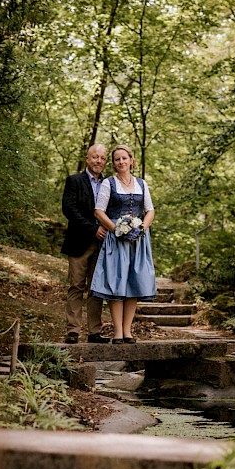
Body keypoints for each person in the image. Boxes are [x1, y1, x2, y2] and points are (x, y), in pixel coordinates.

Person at [89, 145, 156, 343]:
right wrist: (116, 229)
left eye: (124, 158)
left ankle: (128, 331)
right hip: (116, 241)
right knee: (116, 283)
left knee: (133, 283)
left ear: (131, 160)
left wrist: (142, 228)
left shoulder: (142, 184)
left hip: (137, 241)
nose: (121, 162)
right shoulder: (108, 184)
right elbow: (99, 211)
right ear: (114, 163)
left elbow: (150, 210)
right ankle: (117, 332)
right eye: (117, 159)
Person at [60, 144, 111, 344]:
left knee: (97, 288)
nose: (99, 161)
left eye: (102, 158)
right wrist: (93, 228)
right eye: (95, 157)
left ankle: (94, 332)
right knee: (76, 286)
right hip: (79, 241)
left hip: (103, 244)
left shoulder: (110, 183)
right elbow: (69, 209)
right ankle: (73, 330)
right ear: (88, 159)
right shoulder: (74, 181)